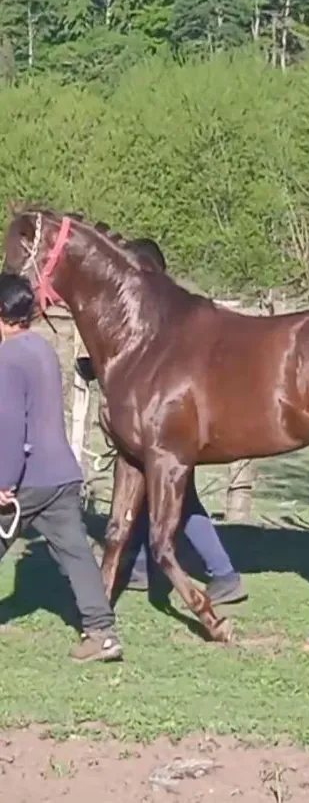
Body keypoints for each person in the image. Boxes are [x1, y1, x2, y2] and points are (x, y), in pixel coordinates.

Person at [0, 273, 122, 663]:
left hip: (28, 476)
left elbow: (11, 424)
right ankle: (102, 633)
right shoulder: (42, 348)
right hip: (62, 473)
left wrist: (4, 481)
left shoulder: (8, 357)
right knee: (77, 555)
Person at [77, 357, 246, 606]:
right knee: (151, 490)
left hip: (168, 417)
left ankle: (224, 573)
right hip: (164, 410)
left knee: (179, 497)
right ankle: (143, 566)